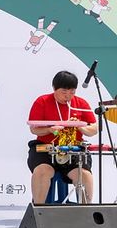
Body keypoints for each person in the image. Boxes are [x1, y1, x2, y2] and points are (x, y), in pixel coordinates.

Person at [28, 71, 98, 203]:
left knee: (84, 175)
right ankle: (39, 211)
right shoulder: (42, 101)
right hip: (47, 149)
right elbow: (33, 129)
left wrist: (78, 126)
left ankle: (86, 212)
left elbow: (93, 129)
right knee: (42, 171)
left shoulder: (81, 104)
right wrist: (50, 129)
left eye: (72, 92)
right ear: (54, 88)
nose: (68, 96)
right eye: (64, 92)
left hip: (73, 149)